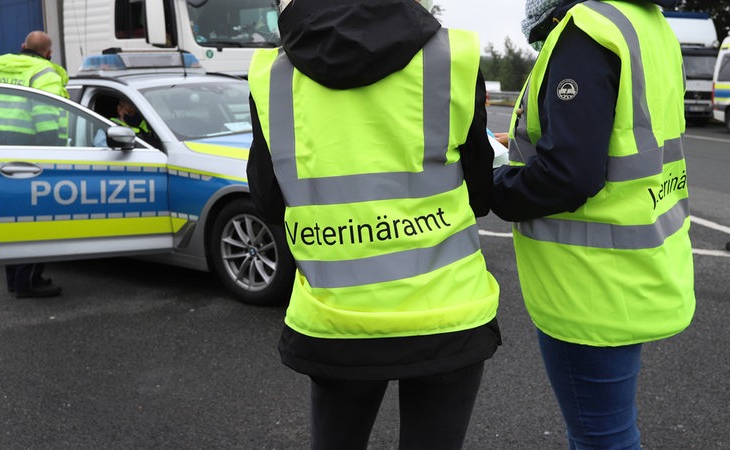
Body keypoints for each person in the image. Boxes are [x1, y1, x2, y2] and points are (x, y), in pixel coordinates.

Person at [246, 0, 501, 448]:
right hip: (448, 316)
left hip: (337, 320)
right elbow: (480, 193)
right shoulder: (453, 56)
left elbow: (268, 198)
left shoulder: (272, 74)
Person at [491, 0, 696, 448]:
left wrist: (497, 184)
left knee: (601, 439)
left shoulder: (586, 30)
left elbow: (570, 175)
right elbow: (618, 136)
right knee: (609, 434)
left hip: (587, 286)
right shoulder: (647, 22)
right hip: (636, 270)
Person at [0, 30, 68, 299]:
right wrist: (51, 160)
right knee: (34, 222)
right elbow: (47, 120)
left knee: (10, 218)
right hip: (29, 159)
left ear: (22, 46)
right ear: (49, 53)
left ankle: (16, 279)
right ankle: (29, 282)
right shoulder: (45, 74)